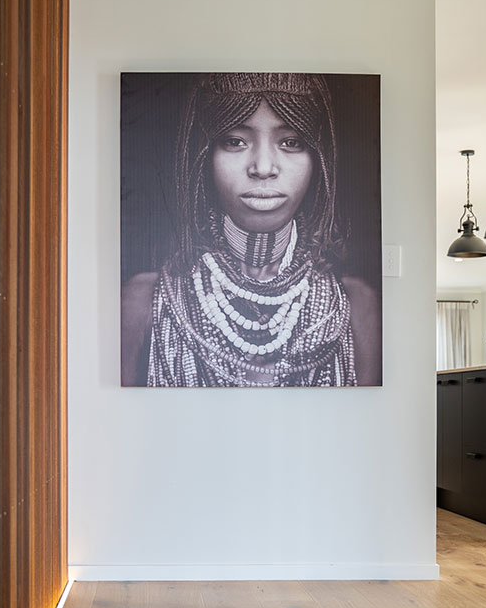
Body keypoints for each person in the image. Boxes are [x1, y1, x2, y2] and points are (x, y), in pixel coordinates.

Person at [121, 72, 381, 387]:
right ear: (204, 156)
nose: (262, 167)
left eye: (291, 142)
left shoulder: (356, 307)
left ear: (318, 160)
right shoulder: (145, 302)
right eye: (235, 141)